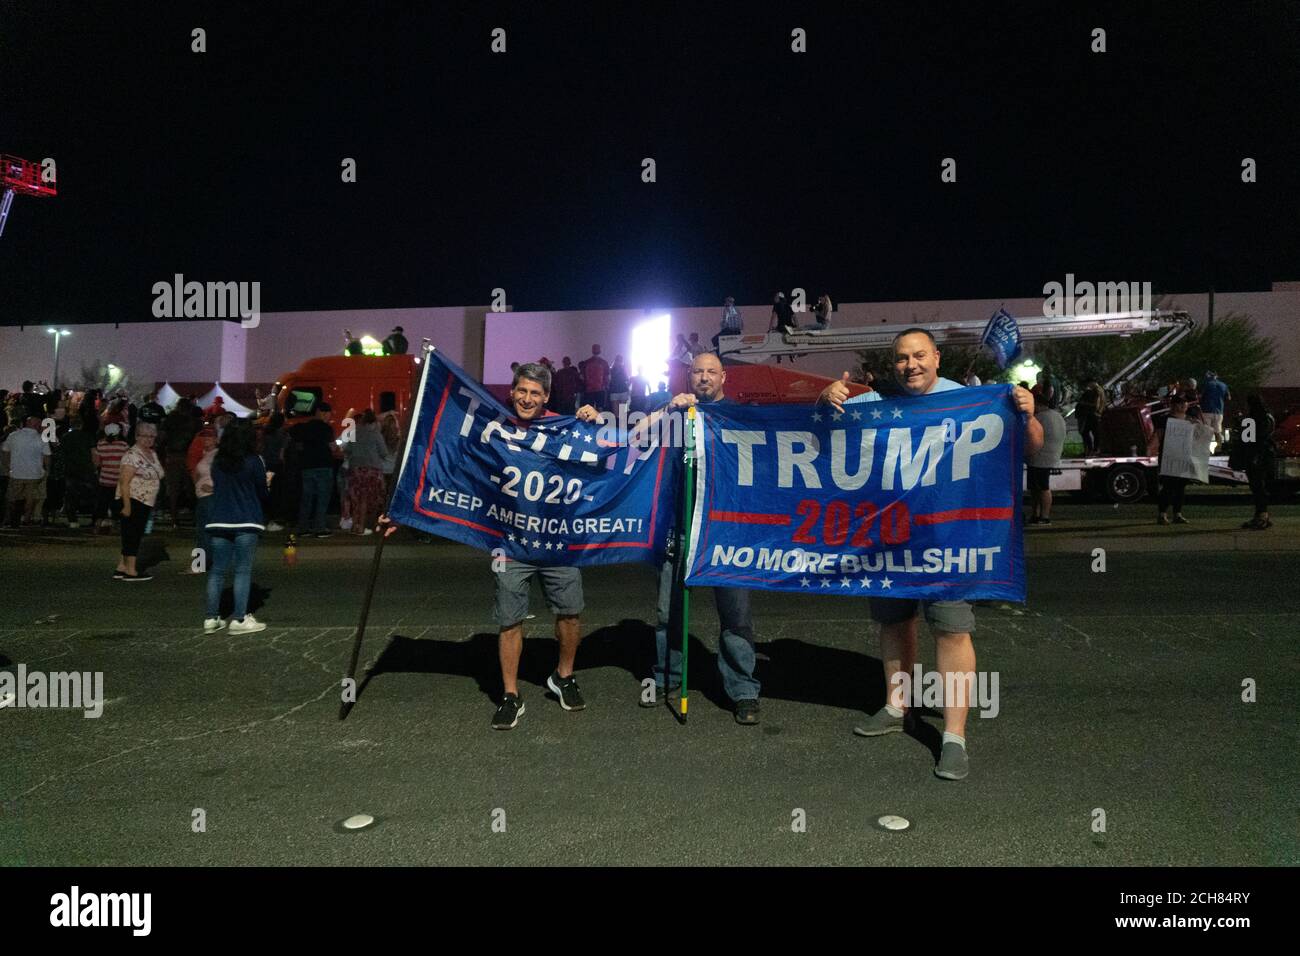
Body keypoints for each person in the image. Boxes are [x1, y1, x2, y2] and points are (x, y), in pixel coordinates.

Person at [818, 328, 1043, 781]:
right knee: (894, 624)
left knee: (952, 632)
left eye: (919, 355)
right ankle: (897, 705)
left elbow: (1033, 448)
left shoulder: (971, 401)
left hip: (949, 543)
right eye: (902, 358)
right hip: (888, 543)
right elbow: (820, 439)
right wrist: (824, 403)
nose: (911, 365)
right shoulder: (874, 404)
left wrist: (1030, 415)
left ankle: (955, 737)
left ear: (937, 358)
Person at [381, 363, 600, 730]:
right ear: (512, 392)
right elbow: (452, 471)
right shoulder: (493, 429)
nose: (527, 398)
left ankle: (563, 677)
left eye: (535, 393)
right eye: (522, 391)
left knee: (570, 614)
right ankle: (510, 695)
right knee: (509, 619)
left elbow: (606, 457)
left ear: (546, 397)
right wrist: (403, 510)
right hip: (509, 544)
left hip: (558, 542)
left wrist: (593, 423)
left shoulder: (565, 430)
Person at [639, 352, 763, 724]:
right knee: (669, 611)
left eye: (711, 372)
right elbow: (636, 435)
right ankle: (668, 678)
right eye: (698, 372)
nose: (704, 377)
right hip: (680, 528)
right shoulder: (676, 414)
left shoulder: (740, 414)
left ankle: (742, 690)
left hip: (726, 530)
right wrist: (668, 408)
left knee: (736, 615)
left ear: (724, 377)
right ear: (688, 378)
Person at [203, 420, 270, 634]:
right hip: (246, 519)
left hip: (219, 518)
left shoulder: (218, 461)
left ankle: (211, 618)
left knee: (217, 571)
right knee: (242, 570)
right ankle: (239, 619)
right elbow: (261, 491)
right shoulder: (253, 461)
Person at [114, 422, 163, 582]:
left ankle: (122, 566)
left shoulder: (151, 453)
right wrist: (127, 505)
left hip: (145, 500)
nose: (149, 439)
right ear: (137, 437)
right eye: (145, 436)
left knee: (133, 533)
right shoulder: (132, 455)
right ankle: (131, 570)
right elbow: (124, 482)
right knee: (132, 535)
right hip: (133, 499)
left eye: (152, 436)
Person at [1156, 395, 1208, 525]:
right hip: (1170, 456)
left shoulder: (1190, 420)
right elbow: (1158, 435)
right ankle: (1162, 513)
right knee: (1168, 486)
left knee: (1180, 487)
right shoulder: (1165, 420)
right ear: (1173, 405)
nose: (1184, 406)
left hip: (1184, 456)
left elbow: (1200, 435)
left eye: (1185, 403)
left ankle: (1177, 513)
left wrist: (1199, 426)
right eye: (1180, 404)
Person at [291, 403, 337, 538]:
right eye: (328, 414)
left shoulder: (304, 427)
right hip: (323, 465)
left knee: (307, 498)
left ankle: (303, 527)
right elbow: (332, 447)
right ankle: (320, 528)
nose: (329, 417)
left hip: (307, 466)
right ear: (322, 412)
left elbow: (297, 442)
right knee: (322, 498)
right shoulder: (326, 428)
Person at [343, 409, 391, 535]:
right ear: (374, 422)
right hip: (371, 469)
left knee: (355, 498)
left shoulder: (355, 432)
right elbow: (384, 452)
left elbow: (347, 450)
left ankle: (354, 526)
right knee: (365, 499)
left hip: (355, 468)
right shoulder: (376, 434)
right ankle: (361, 527)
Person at [1027, 388, 1066, 525]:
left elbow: (1030, 435)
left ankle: (1043, 516)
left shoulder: (1040, 418)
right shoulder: (1057, 416)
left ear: (1037, 404)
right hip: (1051, 456)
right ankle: (1039, 515)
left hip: (1039, 458)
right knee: (1039, 487)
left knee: (1041, 488)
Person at [2, 415, 50, 527]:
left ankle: (10, 518)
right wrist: (47, 469)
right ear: (37, 425)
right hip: (34, 474)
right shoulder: (41, 438)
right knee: (30, 498)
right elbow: (47, 456)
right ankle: (26, 518)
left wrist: (7, 466)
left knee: (12, 497)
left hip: (16, 472)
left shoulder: (13, 436)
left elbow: (5, 451)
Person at [1240, 394, 1275, 530]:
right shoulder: (1268, 416)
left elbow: (1246, 439)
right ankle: (1263, 515)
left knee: (1257, 486)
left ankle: (1261, 515)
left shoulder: (1251, 419)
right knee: (1261, 486)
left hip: (1255, 456)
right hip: (1266, 455)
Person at [187, 425, 218, 574]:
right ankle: (206, 563)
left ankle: (199, 565)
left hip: (209, 497)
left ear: (216, 439)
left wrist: (214, 489)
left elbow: (225, 474)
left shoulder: (217, 455)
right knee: (204, 532)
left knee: (204, 532)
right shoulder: (205, 454)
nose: (206, 439)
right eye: (204, 437)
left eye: (210, 437)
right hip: (203, 496)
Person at [60, 412, 97, 529]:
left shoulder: (65, 437)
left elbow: (62, 454)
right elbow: (93, 453)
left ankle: (73, 520)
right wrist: (95, 466)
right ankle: (95, 519)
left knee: (71, 495)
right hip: (86, 469)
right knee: (92, 494)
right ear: (81, 425)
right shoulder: (88, 436)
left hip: (71, 469)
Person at [92, 423, 128, 533]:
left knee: (102, 504)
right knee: (117, 505)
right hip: (119, 480)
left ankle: (97, 526)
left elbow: (97, 463)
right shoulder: (124, 446)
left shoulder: (101, 445)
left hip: (104, 479)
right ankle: (114, 526)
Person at [259, 413, 289, 531]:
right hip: (276, 465)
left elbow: (261, 448)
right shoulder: (283, 434)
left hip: (265, 464)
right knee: (277, 493)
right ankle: (273, 519)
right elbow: (282, 454)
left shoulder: (265, 432)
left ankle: (263, 517)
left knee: (266, 490)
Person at [1199, 371, 1230, 442]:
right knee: (1217, 432)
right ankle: (1218, 449)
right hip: (1219, 411)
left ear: (1208, 377)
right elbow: (1228, 398)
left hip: (1206, 410)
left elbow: (1200, 396)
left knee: (1205, 432)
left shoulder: (1206, 384)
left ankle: (1205, 450)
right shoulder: (1224, 385)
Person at [1076, 379, 1105, 454]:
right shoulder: (1099, 390)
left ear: (1092, 382)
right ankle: (1093, 449)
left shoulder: (1097, 391)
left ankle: (1092, 449)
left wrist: (1083, 403)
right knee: (1094, 432)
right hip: (1095, 414)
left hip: (1093, 414)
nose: (1088, 386)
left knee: (1087, 432)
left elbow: (1096, 405)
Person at [578, 344, 610, 412]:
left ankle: (591, 422)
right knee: (600, 407)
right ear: (600, 351)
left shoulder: (586, 362)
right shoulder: (604, 362)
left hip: (589, 389)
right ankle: (600, 421)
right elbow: (608, 377)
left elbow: (581, 377)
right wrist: (606, 385)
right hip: (600, 389)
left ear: (592, 351)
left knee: (590, 409)